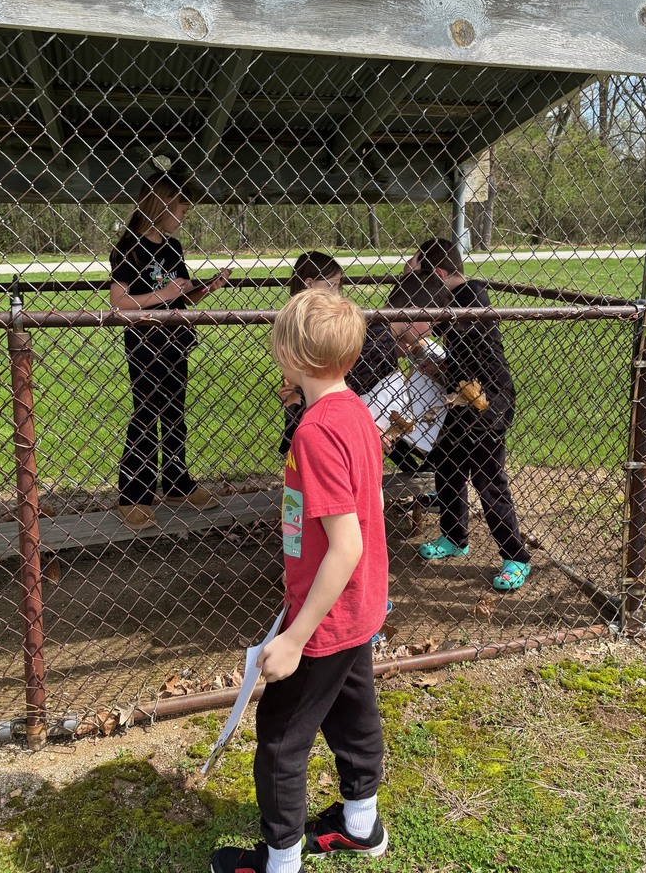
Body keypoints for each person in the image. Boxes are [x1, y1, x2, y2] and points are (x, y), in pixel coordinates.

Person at [210, 289, 389, 873]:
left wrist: (293, 638)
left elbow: (347, 544)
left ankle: (280, 860)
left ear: (289, 355)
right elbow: (372, 507)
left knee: (282, 737)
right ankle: (361, 825)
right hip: (359, 609)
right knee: (352, 710)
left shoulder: (315, 433)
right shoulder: (356, 411)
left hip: (324, 619)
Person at [407, 238, 531, 591]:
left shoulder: (471, 295)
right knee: (446, 465)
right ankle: (455, 536)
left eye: (424, 278)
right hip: (462, 395)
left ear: (441, 273)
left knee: (488, 479)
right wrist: (442, 369)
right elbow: (464, 356)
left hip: (487, 402)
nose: (420, 287)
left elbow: (460, 336)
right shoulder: (453, 299)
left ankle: (516, 556)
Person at [109, 170, 231, 531]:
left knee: (175, 413)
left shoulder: (173, 248)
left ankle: (176, 482)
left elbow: (181, 296)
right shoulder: (130, 247)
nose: (185, 215)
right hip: (146, 345)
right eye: (181, 207)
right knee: (147, 414)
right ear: (161, 205)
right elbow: (119, 304)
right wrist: (164, 295)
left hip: (175, 341)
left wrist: (207, 288)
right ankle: (133, 495)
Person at [278, 252, 398, 455]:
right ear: (309, 283)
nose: (337, 293)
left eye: (338, 286)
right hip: (308, 400)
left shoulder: (331, 320)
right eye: (331, 285)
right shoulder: (296, 322)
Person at [362, 270, 452, 474]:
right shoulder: (379, 345)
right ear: (413, 312)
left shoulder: (378, 333)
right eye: (430, 323)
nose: (430, 333)